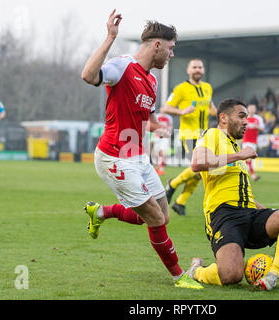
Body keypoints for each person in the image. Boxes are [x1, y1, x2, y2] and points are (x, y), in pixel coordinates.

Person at [80, 9, 202, 290]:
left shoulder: (152, 80)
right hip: (114, 158)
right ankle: (178, 276)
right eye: (170, 49)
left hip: (138, 158)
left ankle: (100, 213)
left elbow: (148, 118)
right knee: (156, 218)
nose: (171, 55)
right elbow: (88, 75)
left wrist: (158, 127)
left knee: (162, 215)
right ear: (156, 45)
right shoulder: (122, 66)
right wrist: (110, 37)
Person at [186, 98, 279, 291]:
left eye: (247, 117)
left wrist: (265, 210)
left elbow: (240, 191)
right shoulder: (213, 135)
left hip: (250, 213)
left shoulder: (235, 146)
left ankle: (272, 275)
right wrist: (240, 156)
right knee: (231, 275)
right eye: (241, 116)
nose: (246, 122)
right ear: (224, 118)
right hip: (224, 215)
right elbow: (197, 162)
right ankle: (197, 271)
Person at [161, 58, 217, 216]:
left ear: (203, 70)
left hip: (204, 135)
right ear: (188, 70)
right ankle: (172, 184)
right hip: (189, 134)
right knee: (201, 167)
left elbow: (211, 108)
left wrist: (221, 113)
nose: (197, 70)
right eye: (194, 67)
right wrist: (181, 111)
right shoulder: (181, 89)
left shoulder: (207, 88)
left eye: (200, 67)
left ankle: (180, 202)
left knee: (201, 172)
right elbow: (165, 108)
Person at [242, 104, 265, 182]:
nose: (252, 109)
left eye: (253, 108)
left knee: (248, 159)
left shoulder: (258, 118)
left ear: (255, 109)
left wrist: (256, 127)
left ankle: (242, 173)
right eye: (250, 108)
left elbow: (262, 128)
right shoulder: (244, 118)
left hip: (254, 141)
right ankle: (253, 175)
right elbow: (239, 128)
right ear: (248, 109)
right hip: (246, 140)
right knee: (248, 158)